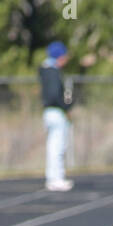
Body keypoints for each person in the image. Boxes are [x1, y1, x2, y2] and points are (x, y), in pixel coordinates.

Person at [39, 41, 73, 191]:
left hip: (50, 112)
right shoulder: (52, 71)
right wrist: (65, 105)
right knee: (57, 147)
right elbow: (54, 94)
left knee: (54, 146)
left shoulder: (47, 70)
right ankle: (56, 178)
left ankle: (54, 177)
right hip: (55, 112)